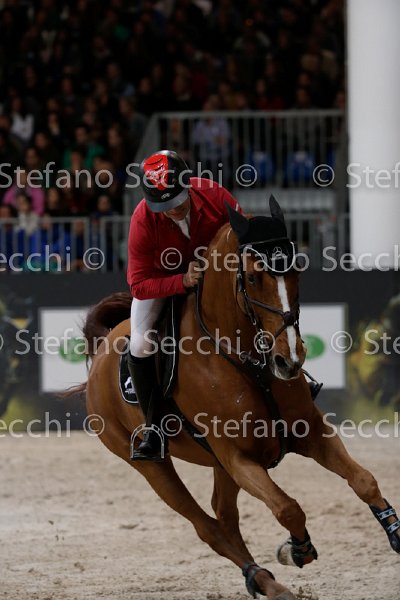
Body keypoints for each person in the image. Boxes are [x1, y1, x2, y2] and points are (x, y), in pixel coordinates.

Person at [127, 150, 242, 461]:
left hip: (216, 278)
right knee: (140, 343)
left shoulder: (216, 195)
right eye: (163, 206)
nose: (173, 210)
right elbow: (138, 285)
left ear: (188, 184)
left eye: (177, 201)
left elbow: (244, 237)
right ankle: (154, 427)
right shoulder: (142, 219)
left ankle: (295, 381)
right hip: (163, 282)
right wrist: (182, 281)